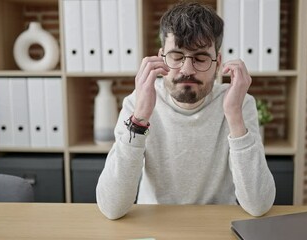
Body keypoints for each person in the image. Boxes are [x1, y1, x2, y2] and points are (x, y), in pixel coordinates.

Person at [96, 2, 276, 220]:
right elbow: (111, 207)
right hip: (155, 224)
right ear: (161, 57)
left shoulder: (238, 103)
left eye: (200, 58)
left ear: (217, 62)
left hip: (216, 225)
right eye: (177, 56)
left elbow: (259, 204)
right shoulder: (138, 102)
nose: (187, 70)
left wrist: (234, 116)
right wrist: (140, 117)